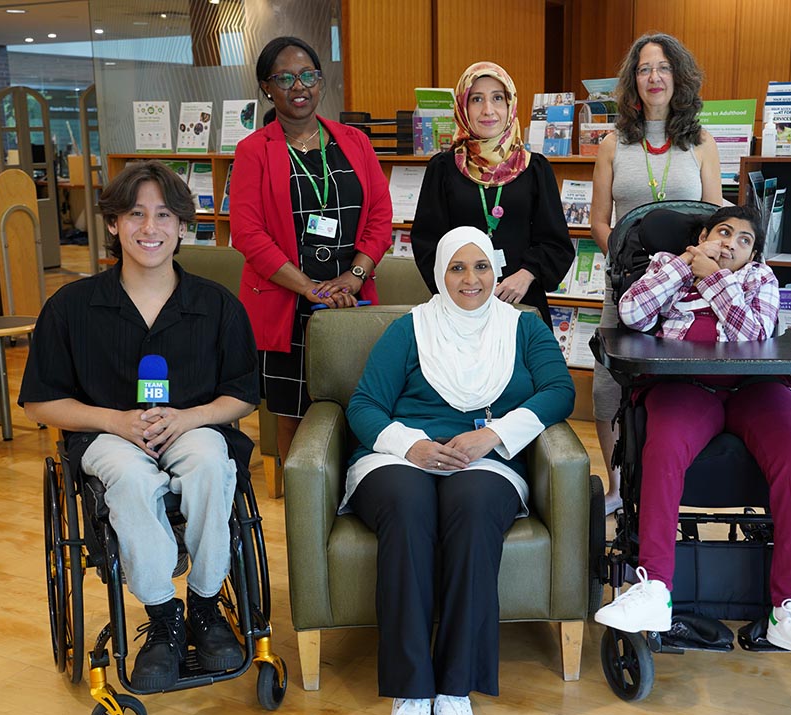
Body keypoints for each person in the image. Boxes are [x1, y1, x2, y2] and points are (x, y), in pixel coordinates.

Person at [19, 161, 261, 692]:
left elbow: (243, 393)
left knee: (209, 461)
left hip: (192, 426)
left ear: (182, 226)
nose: (150, 228)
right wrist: (114, 420)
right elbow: (39, 401)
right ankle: (162, 616)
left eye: (164, 215)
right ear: (113, 223)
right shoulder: (71, 307)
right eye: (135, 214)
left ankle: (205, 605)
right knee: (128, 477)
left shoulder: (216, 305)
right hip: (106, 433)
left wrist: (190, 417)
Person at [344, 227, 574, 715]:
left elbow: (559, 391)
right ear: (439, 274)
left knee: (472, 510)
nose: (471, 280)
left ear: (496, 271)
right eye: (457, 268)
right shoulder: (409, 329)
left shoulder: (524, 327)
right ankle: (410, 693)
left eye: (481, 267)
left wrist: (492, 436)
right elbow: (364, 405)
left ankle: (454, 691)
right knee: (408, 507)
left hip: (486, 458)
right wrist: (413, 445)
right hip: (401, 455)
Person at [592, 205, 791, 670]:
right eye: (723, 232)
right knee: (663, 446)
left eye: (744, 240)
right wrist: (685, 266)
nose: (731, 243)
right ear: (703, 237)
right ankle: (654, 587)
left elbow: (752, 335)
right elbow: (632, 315)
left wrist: (713, 277)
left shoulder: (759, 279)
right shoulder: (666, 266)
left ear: (754, 254)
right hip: (684, 384)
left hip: (756, 386)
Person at [230, 35, 392, 462]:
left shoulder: (354, 141)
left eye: (307, 75)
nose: (298, 86)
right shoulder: (253, 151)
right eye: (285, 78)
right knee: (292, 415)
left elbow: (380, 216)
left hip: (351, 298)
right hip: (287, 301)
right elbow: (247, 233)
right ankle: (301, 500)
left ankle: (357, 490)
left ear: (320, 81)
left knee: (362, 406)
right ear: (267, 87)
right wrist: (307, 287)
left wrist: (354, 276)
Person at [589, 33, 724, 516]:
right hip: (627, 285)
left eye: (663, 67)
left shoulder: (702, 143)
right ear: (633, 80)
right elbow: (598, 221)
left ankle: (670, 483)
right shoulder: (612, 144)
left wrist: (686, 266)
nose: (654, 77)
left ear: (678, 77)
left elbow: (716, 218)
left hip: (686, 287)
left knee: (675, 385)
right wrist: (627, 262)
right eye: (645, 68)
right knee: (607, 385)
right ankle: (617, 487)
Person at [411, 61, 572, 325]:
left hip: (521, 303)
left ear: (510, 105)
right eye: (477, 99)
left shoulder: (535, 168)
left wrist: (527, 274)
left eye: (497, 98)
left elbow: (557, 244)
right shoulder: (442, 169)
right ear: (463, 107)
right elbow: (427, 243)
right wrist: (463, 288)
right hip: (460, 306)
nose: (488, 110)